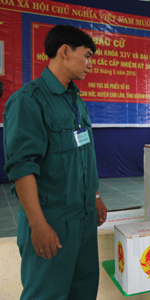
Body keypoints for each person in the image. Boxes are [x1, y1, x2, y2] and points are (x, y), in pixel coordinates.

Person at [3, 24, 107, 300]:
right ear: (64, 52)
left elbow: (84, 153)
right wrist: (38, 225)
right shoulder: (28, 101)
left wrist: (94, 195)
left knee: (83, 289)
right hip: (53, 221)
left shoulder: (75, 100)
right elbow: (22, 167)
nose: (89, 65)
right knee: (46, 293)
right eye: (86, 56)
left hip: (83, 218)